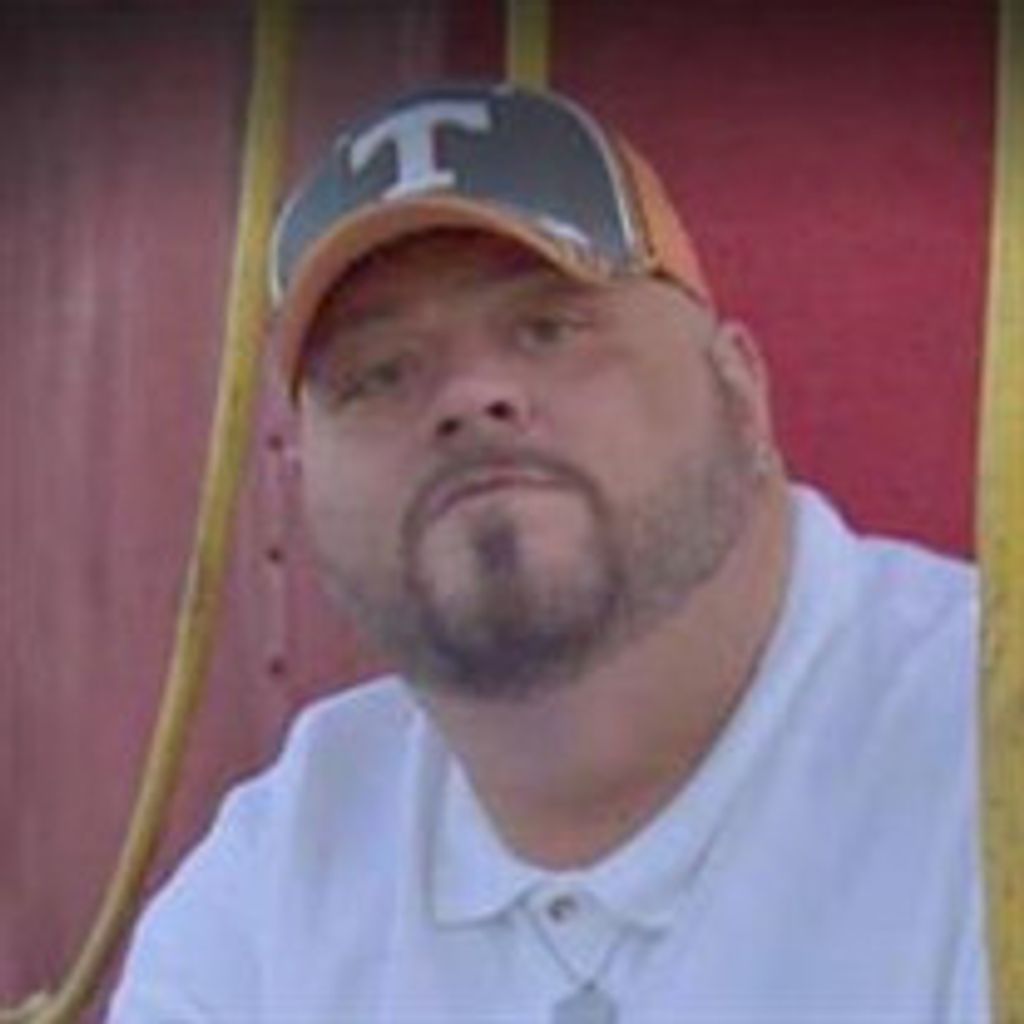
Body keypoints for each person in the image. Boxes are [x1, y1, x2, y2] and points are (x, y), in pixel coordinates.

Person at [108, 82, 987, 1022]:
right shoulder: (276, 877)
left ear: (739, 391)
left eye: (548, 328)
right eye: (378, 375)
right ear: (303, 487)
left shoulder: (984, 752)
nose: (468, 396)